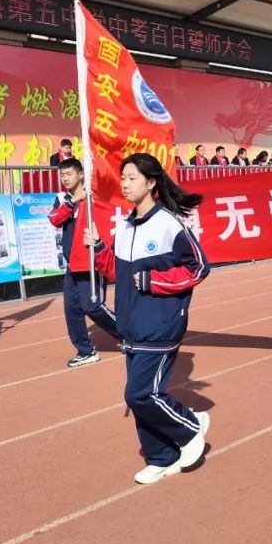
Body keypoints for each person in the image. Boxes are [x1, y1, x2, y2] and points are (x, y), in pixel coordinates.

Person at [86, 153, 211, 485]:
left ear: (151, 182)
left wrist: (155, 281)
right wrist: (99, 249)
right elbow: (118, 274)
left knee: (140, 394)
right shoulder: (125, 226)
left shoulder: (169, 224)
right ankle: (160, 455)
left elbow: (199, 267)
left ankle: (190, 426)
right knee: (140, 396)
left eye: (131, 177)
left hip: (161, 323)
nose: (124, 183)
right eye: (123, 177)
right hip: (131, 324)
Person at [48, 157, 120, 368]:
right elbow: (54, 219)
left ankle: (129, 335)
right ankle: (85, 351)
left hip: (90, 260)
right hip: (72, 263)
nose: (65, 178)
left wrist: (84, 197)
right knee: (72, 309)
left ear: (80, 174)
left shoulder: (94, 195)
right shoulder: (62, 198)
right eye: (62, 175)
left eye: (69, 174)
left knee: (93, 306)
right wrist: (72, 201)